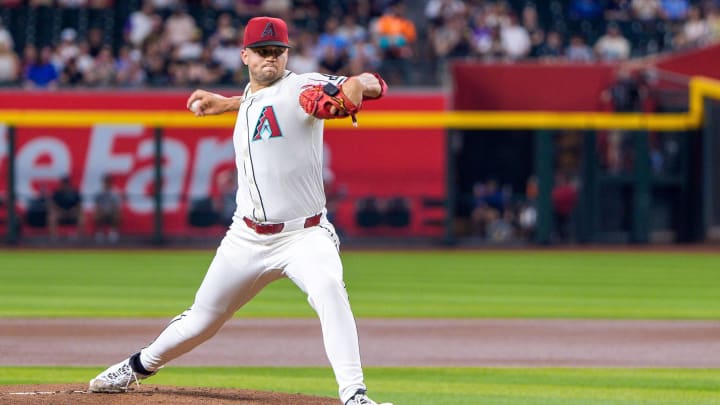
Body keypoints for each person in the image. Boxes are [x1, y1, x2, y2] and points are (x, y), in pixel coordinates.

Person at [88, 16, 391, 405]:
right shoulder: (251, 96)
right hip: (245, 237)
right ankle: (137, 366)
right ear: (244, 55)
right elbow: (263, 103)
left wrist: (358, 83)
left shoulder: (303, 86)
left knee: (329, 290)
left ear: (287, 55)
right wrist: (228, 102)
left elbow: (370, 86)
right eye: (263, 52)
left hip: (304, 235)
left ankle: (355, 395)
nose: (271, 59)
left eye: (278, 52)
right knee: (202, 320)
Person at [93, 174, 122, 243]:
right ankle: (100, 232)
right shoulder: (99, 193)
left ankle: (113, 232)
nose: (107, 183)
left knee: (116, 214)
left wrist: (113, 212)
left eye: (108, 181)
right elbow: (97, 206)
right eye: (106, 181)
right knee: (97, 214)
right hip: (102, 212)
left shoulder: (115, 193)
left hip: (111, 212)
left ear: (111, 182)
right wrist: (99, 212)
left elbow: (117, 206)